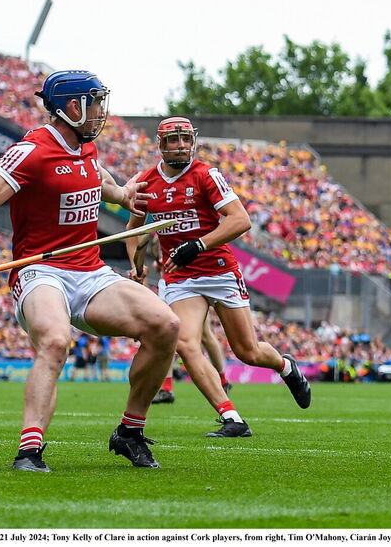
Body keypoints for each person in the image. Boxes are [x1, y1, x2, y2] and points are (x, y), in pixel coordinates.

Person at [0, 70, 181, 471]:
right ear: (73, 107)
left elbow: (93, 174)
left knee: (166, 326)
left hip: (90, 272)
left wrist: (122, 194)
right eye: (96, 103)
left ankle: (130, 431)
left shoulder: (84, 147)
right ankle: (30, 450)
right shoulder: (32, 151)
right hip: (41, 271)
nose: (101, 112)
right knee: (55, 341)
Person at [127, 117, 311, 437]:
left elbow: (240, 220)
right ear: (160, 145)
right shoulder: (145, 183)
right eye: (174, 140)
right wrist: (136, 264)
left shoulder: (206, 175)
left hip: (219, 270)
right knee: (185, 343)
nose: (181, 145)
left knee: (247, 351)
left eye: (186, 139)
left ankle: (286, 366)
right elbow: (134, 230)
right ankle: (232, 419)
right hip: (180, 277)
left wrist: (197, 244)